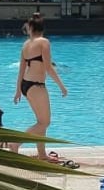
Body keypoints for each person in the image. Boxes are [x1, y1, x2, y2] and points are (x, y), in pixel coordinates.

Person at [13, 14, 67, 161]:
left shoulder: (25, 45)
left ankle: (42, 155)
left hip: (26, 85)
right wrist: (61, 86)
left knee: (40, 122)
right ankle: (16, 143)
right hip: (36, 85)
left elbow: (21, 70)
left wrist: (18, 90)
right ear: (42, 28)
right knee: (44, 122)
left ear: (31, 28)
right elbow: (48, 67)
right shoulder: (44, 42)